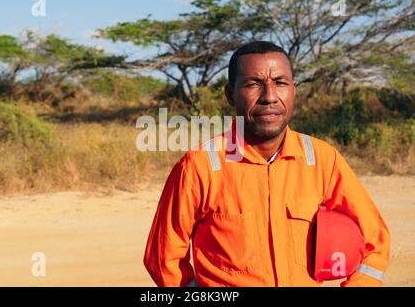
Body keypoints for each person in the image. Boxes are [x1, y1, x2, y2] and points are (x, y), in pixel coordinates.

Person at [144, 41, 390, 287]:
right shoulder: (200, 166)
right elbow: (163, 258)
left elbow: (375, 242)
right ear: (230, 94)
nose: (270, 97)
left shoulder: (322, 160)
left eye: (280, 83)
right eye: (253, 84)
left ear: (294, 89)